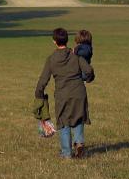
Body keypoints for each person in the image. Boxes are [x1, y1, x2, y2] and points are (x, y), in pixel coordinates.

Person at [35, 27, 95, 159]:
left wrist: (38, 94)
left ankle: (66, 152)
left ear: (54, 41)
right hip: (79, 92)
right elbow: (89, 71)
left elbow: (43, 80)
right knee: (78, 117)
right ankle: (79, 143)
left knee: (63, 121)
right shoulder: (76, 55)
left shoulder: (51, 59)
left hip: (62, 94)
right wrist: (88, 78)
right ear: (67, 40)